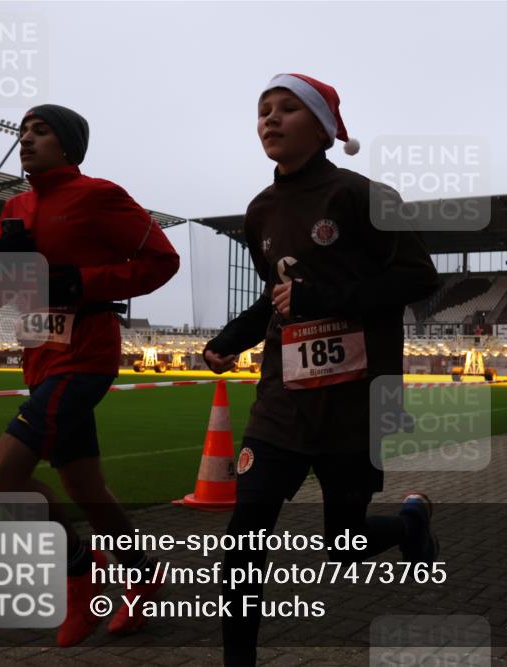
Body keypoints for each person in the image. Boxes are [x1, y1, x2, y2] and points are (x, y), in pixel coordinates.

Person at [202, 73, 440, 667]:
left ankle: (410, 525)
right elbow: (278, 298)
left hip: (353, 403)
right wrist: (229, 340)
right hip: (281, 401)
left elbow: (419, 277)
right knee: (243, 544)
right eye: (263, 110)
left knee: (344, 545)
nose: (271, 119)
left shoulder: (362, 196)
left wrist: (326, 298)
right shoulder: (259, 212)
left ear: (324, 126)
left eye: (288, 108)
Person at [0, 104, 180, 647]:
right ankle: (141, 575)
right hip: (39, 359)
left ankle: (80, 575)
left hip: (85, 357)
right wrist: (8, 265)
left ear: (68, 144)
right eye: (23, 132)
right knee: (86, 487)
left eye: (40, 132)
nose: (26, 140)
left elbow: (163, 261)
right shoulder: (15, 207)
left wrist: (79, 281)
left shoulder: (98, 196)